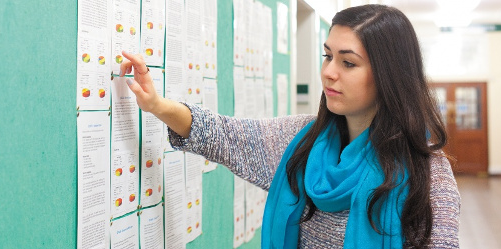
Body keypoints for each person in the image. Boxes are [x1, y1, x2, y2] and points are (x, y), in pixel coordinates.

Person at [119, 4, 459, 249]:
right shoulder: (301, 143)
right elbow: (220, 134)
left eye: (348, 62)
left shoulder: (428, 175)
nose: (329, 72)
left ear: (389, 74)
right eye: (327, 56)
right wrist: (157, 105)